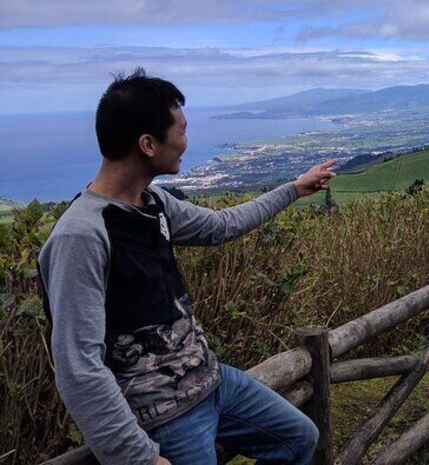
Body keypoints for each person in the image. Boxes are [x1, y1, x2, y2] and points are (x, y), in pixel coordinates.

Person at [38, 69, 335, 464]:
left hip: (212, 382)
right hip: (161, 414)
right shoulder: (82, 236)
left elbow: (222, 225)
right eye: (180, 131)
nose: (185, 142)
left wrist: (294, 189)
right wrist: (137, 457)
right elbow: (78, 370)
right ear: (147, 144)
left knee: (299, 438)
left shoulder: (154, 203)